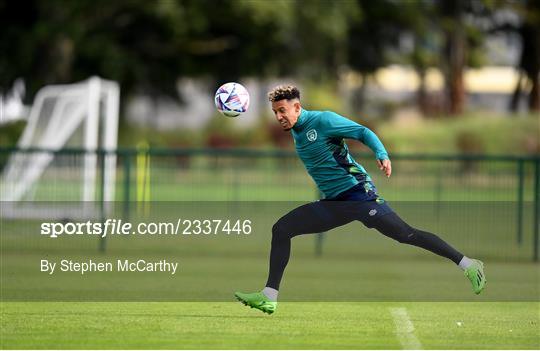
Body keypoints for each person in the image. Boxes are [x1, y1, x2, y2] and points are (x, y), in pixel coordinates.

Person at [234, 85, 486, 314]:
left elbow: (362, 131)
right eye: (275, 112)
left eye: (282, 110)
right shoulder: (296, 130)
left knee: (405, 234)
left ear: (297, 107)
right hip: (335, 204)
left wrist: (381, 153)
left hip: (359, 196)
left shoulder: (323, 120)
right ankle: (269, 296)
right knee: (281, 229)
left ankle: (468, 264)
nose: (279, 117)